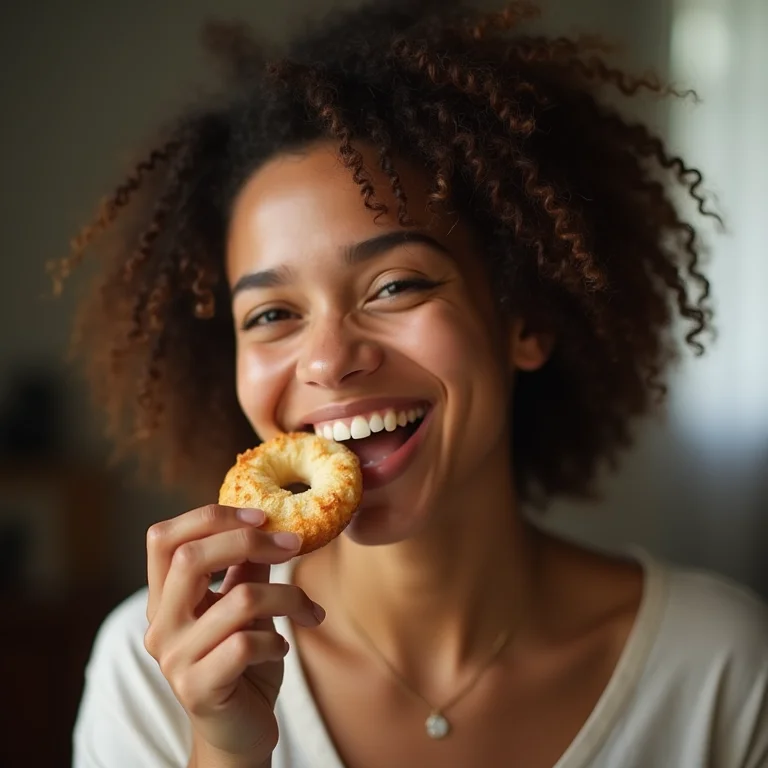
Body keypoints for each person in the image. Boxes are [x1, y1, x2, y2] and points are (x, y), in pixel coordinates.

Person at [60, 1, 768, 766]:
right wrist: (224, 747)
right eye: (271, 313)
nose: (328, 361)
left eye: (395, 286)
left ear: (524, 322)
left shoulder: (720, 667)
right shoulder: (155, 668)